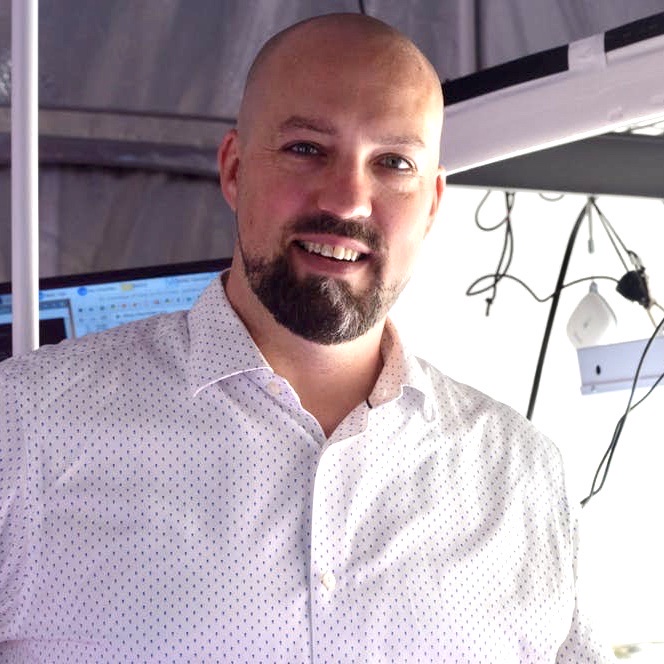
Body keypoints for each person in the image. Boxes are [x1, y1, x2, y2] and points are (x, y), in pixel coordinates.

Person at [0, 12, 615, 663]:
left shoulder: (522, 473)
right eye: (306, 149)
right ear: (235, 170)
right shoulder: (23, 427)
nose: (348, 201)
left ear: (433, 203)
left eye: (393, 162)